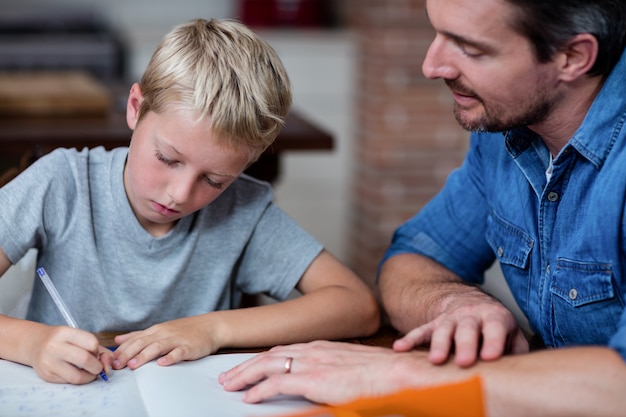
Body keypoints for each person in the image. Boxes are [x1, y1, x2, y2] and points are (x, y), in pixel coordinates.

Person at [218, 0, 626, 415]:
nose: (432, 66)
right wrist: (457, 305)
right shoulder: (505, 131)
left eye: (470, 48)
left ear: (572, 57)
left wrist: (399, 375)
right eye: (438, 33)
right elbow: (415, 255)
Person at [0, 18, 380, 385]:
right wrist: (30, 344)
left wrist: (212, 328)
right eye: (167, 159)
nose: (180, 194)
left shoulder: (242, 209)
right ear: (135, 107)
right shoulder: (62, 182)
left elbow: (356, 305)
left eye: (214, 180)